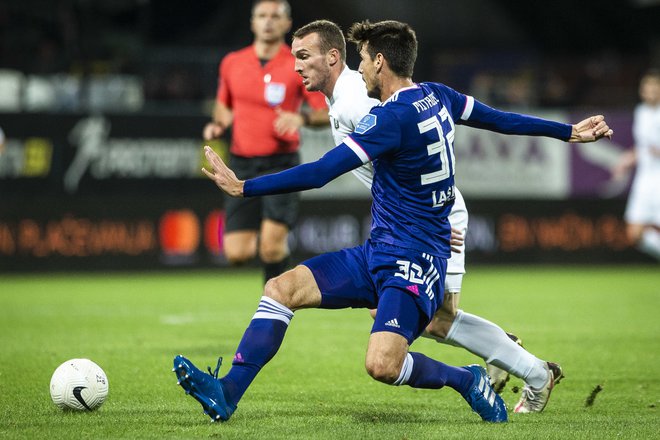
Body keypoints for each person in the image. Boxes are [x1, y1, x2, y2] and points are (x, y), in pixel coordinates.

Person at [175, 20, 612, 424]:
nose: (358, 67)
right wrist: (567, 131)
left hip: (420, 243)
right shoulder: (437, 94)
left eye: (362, 58)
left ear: (377, 61)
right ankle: (227, 392)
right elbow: (499, 119)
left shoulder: (384, 116)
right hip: (389, 241)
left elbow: (323, 171)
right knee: (281, 288)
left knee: (400, 351)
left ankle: (481, 377)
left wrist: (244, 188)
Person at [289, 19, 566, 413]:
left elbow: (398, 132)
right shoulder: (349, 98)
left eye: (303, 56)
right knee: (437, 318)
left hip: (434, 215)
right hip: (424, 216)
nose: (297, 66)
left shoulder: (360, 98)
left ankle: (529, 369)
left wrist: (434, 223)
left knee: (437, 319)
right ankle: (520, 360)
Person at [202, 0, 328, 283]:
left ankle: (277, 303)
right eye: (261, 15)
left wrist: (302, 119)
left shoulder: (298, 64)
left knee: (270, 247)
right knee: (237, 253)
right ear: (252, 22)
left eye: (275, 16)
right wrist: (218, 124)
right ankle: (280, 271)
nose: (268, 21)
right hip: (241, 163)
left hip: (281, 163)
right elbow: (224, 106)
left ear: (287, 23)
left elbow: (324, 111)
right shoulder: (232, 62)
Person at [612, 69, 660, 260]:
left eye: (654, 87)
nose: (650, 91)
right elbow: (643, 147)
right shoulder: (640, 112)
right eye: (646, 87)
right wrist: (626, 160)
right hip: (644, 179)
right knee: (634, 233)